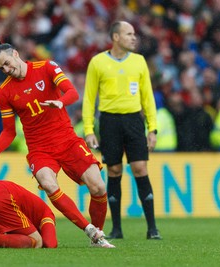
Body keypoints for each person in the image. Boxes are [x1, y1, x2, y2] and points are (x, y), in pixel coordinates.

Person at [0, 41, 115, 248]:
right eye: (1, 68)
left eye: (6, 63)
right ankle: (90, 231)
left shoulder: (46, 67)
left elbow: (73, 93)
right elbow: (9, 131)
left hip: (67, 140)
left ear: (15, 53)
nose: (6, 70)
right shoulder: (4, 92)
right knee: (49, 185)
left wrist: (61, 102)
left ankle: (98, 233)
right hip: (39, 149)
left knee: (98, 186)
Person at [82, 21, 161, 240]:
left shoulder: (139, 62)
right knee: (114, 171)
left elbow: (148, 98)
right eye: (129, 34)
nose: (134, 38)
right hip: (109, 122)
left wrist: (152, 128)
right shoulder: (98, 62)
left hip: (134, 121)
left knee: (139, 168)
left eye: (134, 34)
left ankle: (152, 228)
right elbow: (89, 99)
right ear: (115, 37)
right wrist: (89, 129)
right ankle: (116, 228)